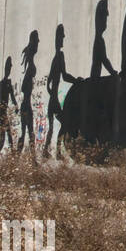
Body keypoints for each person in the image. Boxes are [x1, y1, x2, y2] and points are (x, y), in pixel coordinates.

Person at [44, 24, 75, 158]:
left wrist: (51, 92)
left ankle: (47, 150)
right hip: (54, 98)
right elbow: (64, 75)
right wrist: (77, 81)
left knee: (52, 127)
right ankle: (57, 152)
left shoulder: (55, 57)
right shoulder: (59, 56)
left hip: (53, 97)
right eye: (62, 36)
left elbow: (49, 80)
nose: (63, 38)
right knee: (65, 123)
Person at [17, 30, 39, 154]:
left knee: (27, 133)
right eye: (37, 40)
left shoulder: (30, 65)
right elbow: (24, 89)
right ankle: (32, 159)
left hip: (26, 105)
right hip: (26, 106)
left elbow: (24, 89)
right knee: (28, 133)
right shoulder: (30, 67)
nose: (38, 42)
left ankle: (19, 157)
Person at [0, 57, 17, 159]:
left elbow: (13, 97)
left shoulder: (7, 84)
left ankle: (9, 156)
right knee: (4, 137)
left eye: (9, 68)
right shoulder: (1, 84)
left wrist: (16, 106)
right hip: (1, 113)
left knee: (8, 135)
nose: (9, 70)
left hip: (3, 113)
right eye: (8, 68)